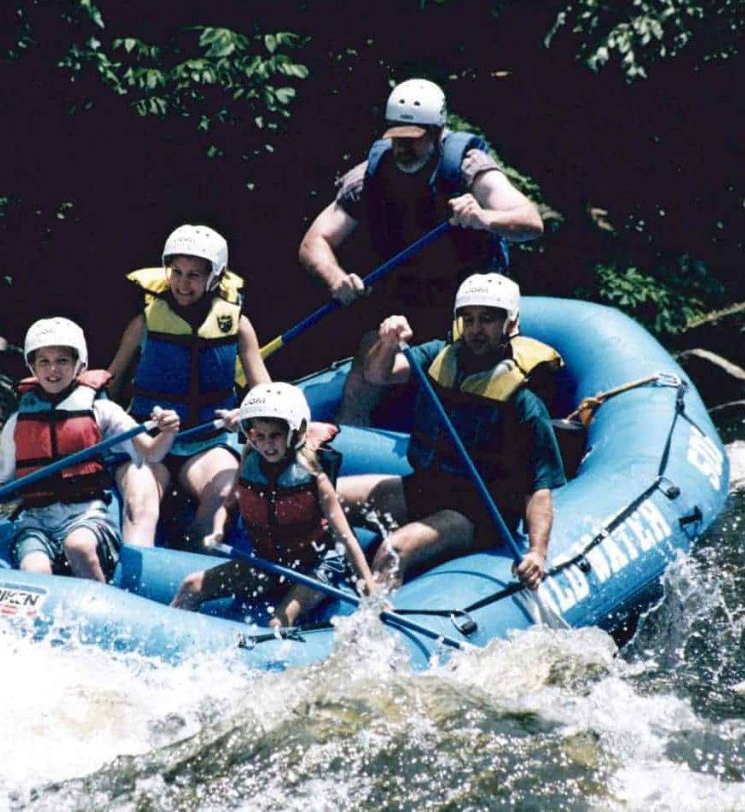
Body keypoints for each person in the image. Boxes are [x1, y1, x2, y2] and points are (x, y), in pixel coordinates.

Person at [299, 78, 546, 425]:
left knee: (471, 384)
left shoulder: (468, 168)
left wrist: (483, 217)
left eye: (413, 140)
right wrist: (335, 277)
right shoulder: (369, 176)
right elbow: (314, 243)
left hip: (471, 306)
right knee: (363, 374)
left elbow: (531, 222)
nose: (403, 148)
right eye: (397, 138)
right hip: (407, 302)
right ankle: (342, 452)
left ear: (438, 131)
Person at [337, 274, 566, 589]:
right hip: (426, 487)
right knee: (327, 498)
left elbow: (538, 489)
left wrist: (537, 553)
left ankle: (373, 630)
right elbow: (378, 375)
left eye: (487, 320)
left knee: (393, 550)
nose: (476, 329)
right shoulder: (438, 355)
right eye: (468, 319)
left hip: (479, 512)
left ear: (509, 324)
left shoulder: (523, 402)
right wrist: (388, 343)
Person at [0, 317, 180, 582]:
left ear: (80, 365)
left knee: (78, 546)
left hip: (87, 517)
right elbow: (4, 488)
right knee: (34, 570)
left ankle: (101, 604)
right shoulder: (17, 423)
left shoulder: (101, 410)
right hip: (37, 522)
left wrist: (168, 432)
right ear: (32, 366)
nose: (53, 370)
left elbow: (151, 453)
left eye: (62, 361)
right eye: (44, 361)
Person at [107, 224, 271, 548]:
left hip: (207, 439)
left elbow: (262, 389)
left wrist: (250, 414)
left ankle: (192, 568)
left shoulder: (237, 323)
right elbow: (113, 381)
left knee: (224, 496)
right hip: (149, 439)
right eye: (177, 272)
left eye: (194, 275)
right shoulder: (145, 320)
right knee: (141, 504)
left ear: (215, 277)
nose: (183, 283)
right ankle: (132, 585)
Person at [173, 382, 375, 628]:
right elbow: (228, 506)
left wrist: (370, 592)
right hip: (269, 563)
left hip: (317, 566)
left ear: (294, 433)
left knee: (278, 622)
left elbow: (346, 539)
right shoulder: (249, 462)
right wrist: (218, 530)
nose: (267, 445)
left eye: (275, 436)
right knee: (191, 586)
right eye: (259, 436)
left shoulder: (315, 479)